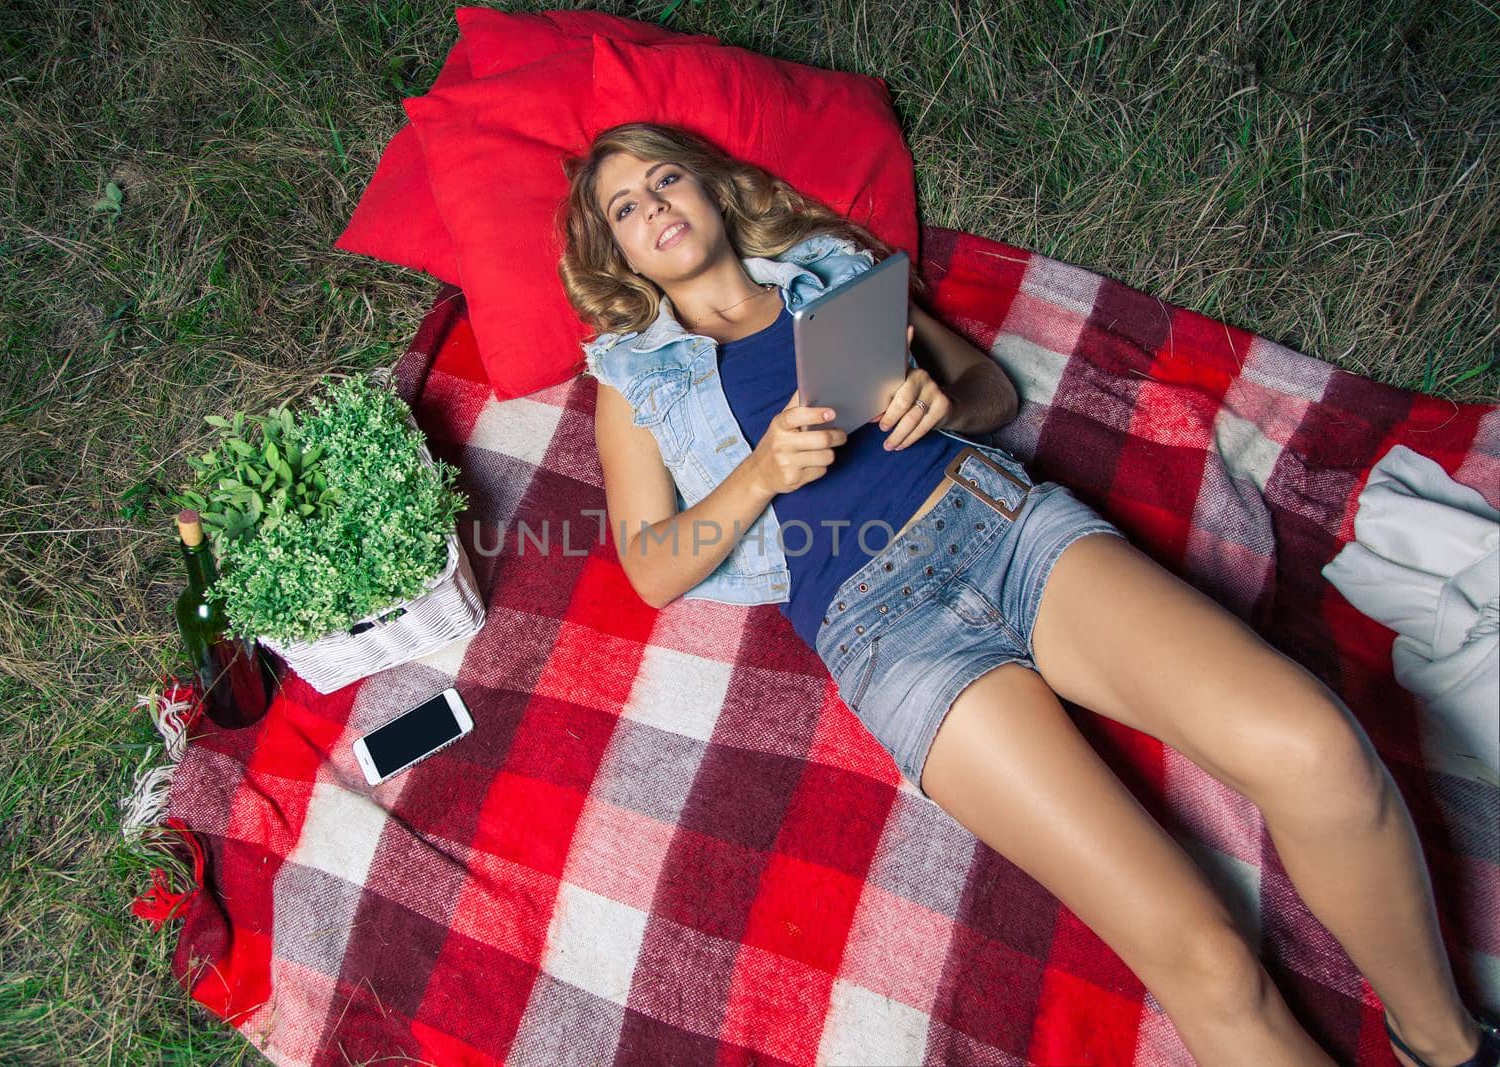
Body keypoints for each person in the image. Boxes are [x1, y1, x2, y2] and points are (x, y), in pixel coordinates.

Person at [556, 121, 1498, 1066]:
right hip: (882, 628)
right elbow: (652, 567)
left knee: (1320, 750)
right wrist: (759, 475)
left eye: (666, 178)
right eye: (626, 209)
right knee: (1207, 962)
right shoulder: (635, 376)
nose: (655, 208)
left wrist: (941, 402)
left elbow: (985, 390)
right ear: (620, 255)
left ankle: (1448, 1045)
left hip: (1001, 525)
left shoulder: (833, 269)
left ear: (712, 188)